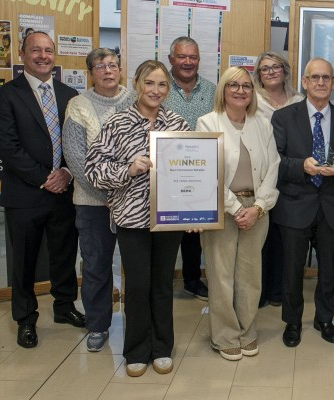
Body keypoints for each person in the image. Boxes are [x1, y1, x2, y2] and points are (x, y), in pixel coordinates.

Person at [86, 60, 189, 377]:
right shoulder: (116, 124)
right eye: (149, 83)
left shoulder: (179, 125)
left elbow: (193, 170)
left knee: (162, 285)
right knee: (138, 286)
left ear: (167, 90)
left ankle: (161, 348)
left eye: (162, 85)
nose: (155, 90)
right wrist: (127, 170)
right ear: (137, 84)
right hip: (132, 220)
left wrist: (195, 208)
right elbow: (93, 170)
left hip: (169, 219)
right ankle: (136, 350)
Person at [0, 31, 84, 349]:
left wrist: (68, 173)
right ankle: (26, 319)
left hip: (65, 193)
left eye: (48, 50)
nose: (42, 56)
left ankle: (64, 307)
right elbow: (7, 147)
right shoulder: (6, 95)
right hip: (25, 193)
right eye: (35, 50)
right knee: (25, 261)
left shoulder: (70, 94)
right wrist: (47, 178)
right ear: (22, 54)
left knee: (64, 254)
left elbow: (78, 143)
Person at [272, 58, 334, 347]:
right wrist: (302, 166)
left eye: (326, 78)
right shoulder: (284, 117)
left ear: (333, 83)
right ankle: (293, 322)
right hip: (295, 203)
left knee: (329, 269)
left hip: (332, 204)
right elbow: (274, 161)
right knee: (292, 269)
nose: (321, 82)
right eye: (315, 77)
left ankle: (325, 319)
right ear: (304, 82)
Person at [196, 66, 279, 361]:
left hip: (257, 209)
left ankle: (247, 330)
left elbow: (273, 167)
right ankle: (225, 335)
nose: (241, 91)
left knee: (250, 276)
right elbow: (208, 171)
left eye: (246, 86)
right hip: (221, 210)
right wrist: (235, 208)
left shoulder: (262, 123)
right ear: (223, 89)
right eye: (233, 85)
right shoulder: (207, 123)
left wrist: (258, 207)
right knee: (221, 277)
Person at [63, 48, 131, 352]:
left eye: (113, 65)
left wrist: (120, 192)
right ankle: (98, 325)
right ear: (91, 72)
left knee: (136, 264)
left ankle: (137, 322)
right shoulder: (78, 106)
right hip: (92, 203)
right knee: (96, 265)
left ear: (119, 69)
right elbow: (76, 157)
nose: (108, 70)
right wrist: (106, 193)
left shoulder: (134, 99)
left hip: (133, 202)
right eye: (100, 66)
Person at [163, 36, 215, 301]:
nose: (187, 62)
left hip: (200, 173)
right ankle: (161, 281)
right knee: (167, 230)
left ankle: (192, 280)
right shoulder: (160, 88)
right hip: (165, 174)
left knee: (195, 231)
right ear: (171, 59)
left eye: (192, 57)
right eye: (182, 56)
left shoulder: (212, 90)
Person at [252, 51, 305, 308]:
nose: (271, 72)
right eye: (265, 69)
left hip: (291, 176)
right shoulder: (251, 100)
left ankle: (277, 291)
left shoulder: (299, 100)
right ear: (258, 75)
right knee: (261, 236)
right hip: (260, 177)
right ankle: (258, 292)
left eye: (276, 67)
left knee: (284, 238)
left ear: (285, 71)